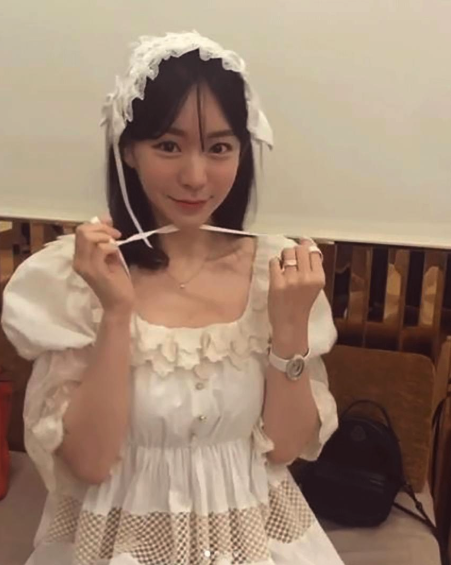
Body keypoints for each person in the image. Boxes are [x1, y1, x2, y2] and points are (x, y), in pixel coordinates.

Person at [1, 31, 344, 565]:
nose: (195, 176)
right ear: (128, 151)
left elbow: (282, 449)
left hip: (251, 541)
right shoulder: (77, 279)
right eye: (168, 145)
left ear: (242, 152)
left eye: (219, 148)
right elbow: (90, 463)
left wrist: (290, 329)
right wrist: (116, 313)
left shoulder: (274, 273)